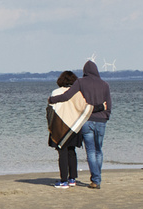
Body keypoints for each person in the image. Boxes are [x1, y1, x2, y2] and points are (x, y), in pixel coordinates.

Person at [47, 60, 112, 189]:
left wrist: (52, 99)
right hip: (101, 122)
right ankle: (97, 178)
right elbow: (108, 105)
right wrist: (106, 116)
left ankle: (95, 180)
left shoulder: (81, 82)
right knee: (99, 150)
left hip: (86, 120)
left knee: (91, 151)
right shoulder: (105, 85)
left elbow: (67, 96)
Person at [46, 70, 83, 186]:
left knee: (62, 153)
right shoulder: (78, 93)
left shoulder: (56, 92)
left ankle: (63, 180)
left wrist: (51, 126)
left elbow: (50, 111)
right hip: (75, 127)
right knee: (72, 151)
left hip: (60, 127)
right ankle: (72, 179)